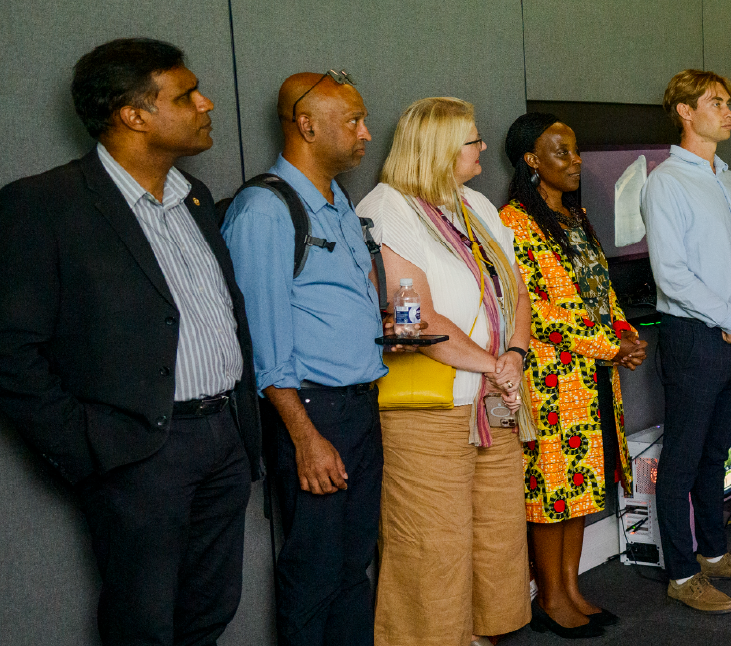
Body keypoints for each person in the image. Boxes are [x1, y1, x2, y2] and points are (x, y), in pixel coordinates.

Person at [0, 37, 260, 646]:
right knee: (141, 624)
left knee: (210, 611)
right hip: (140, 453)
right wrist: (86, 447)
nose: (207, 103)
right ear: (134, 114)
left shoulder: (193, 197)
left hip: (223, 440)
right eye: (187, 94)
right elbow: (11, 349)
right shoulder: (44, 205)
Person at [358, 97, 534, 646]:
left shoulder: (477, 204)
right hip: (428, 409)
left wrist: (514, 357)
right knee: (432, 544)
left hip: (495, 401)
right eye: (472, 140)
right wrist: (492, 365)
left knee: (496, 534)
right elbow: (418, 315)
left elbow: (518, 292)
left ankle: (482, 635)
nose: (483, 148)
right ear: (437, 148)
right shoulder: (386, 208)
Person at [221, 70, 385, 646]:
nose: (367, 133)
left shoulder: (337, 200)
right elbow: (263, 346)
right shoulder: (264, 210)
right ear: (307, 125)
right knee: (314, 572)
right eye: (354, 121)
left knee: (351, 567)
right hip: (313, 415)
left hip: (360, 409)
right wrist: (304, 435)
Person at [499, 112, 647, 638]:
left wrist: (626, 333)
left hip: (594, 376)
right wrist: (613, 346)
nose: (575, 161)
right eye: (560, 152)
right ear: (531, 161)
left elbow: (602, 292)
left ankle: (572, 587)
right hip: (551, 377)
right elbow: (539, 309)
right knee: (551, 491)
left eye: (576, 150)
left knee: (582, 487)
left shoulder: (576, 217)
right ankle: (550, 598)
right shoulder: (515, 221)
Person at [641, 69, 731, 614]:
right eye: (716, 103)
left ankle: (716, 556)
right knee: (682, 459)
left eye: (728, 102)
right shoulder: (665, 182)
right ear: (684, 112)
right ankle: (681, 572)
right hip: (693, 337)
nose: (729, 112)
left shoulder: (730, 178)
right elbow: (670, 274)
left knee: (717, 454)